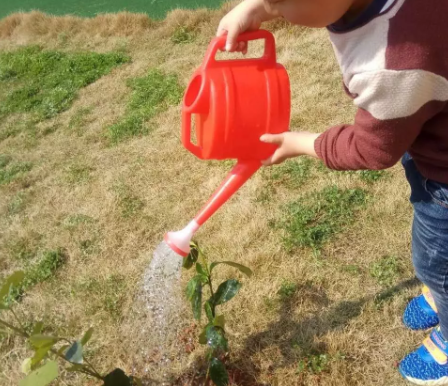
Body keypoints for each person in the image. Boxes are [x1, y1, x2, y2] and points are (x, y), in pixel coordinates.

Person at [216, 0, 448, 384]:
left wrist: (300, 143)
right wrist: (258, 9)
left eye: (279, 2)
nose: (276, 10)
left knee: (436, 261)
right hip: (431, 123)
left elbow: (373, 149)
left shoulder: (389, 64)